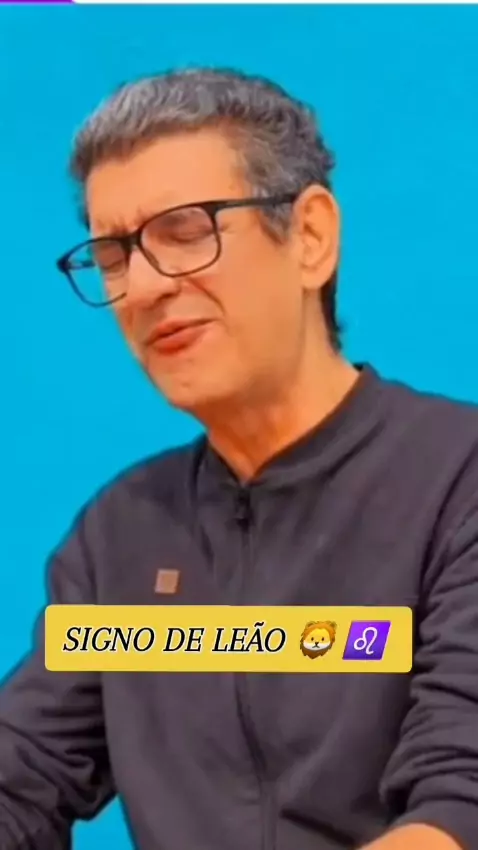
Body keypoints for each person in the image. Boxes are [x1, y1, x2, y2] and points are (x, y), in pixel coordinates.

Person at [1, 66, 477, 850]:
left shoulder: (458, 482)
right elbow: (22, 775)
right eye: (114, 254)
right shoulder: (122, 537)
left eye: (186, 230)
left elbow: (460, 806)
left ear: (311, 238)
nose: (143, 287)